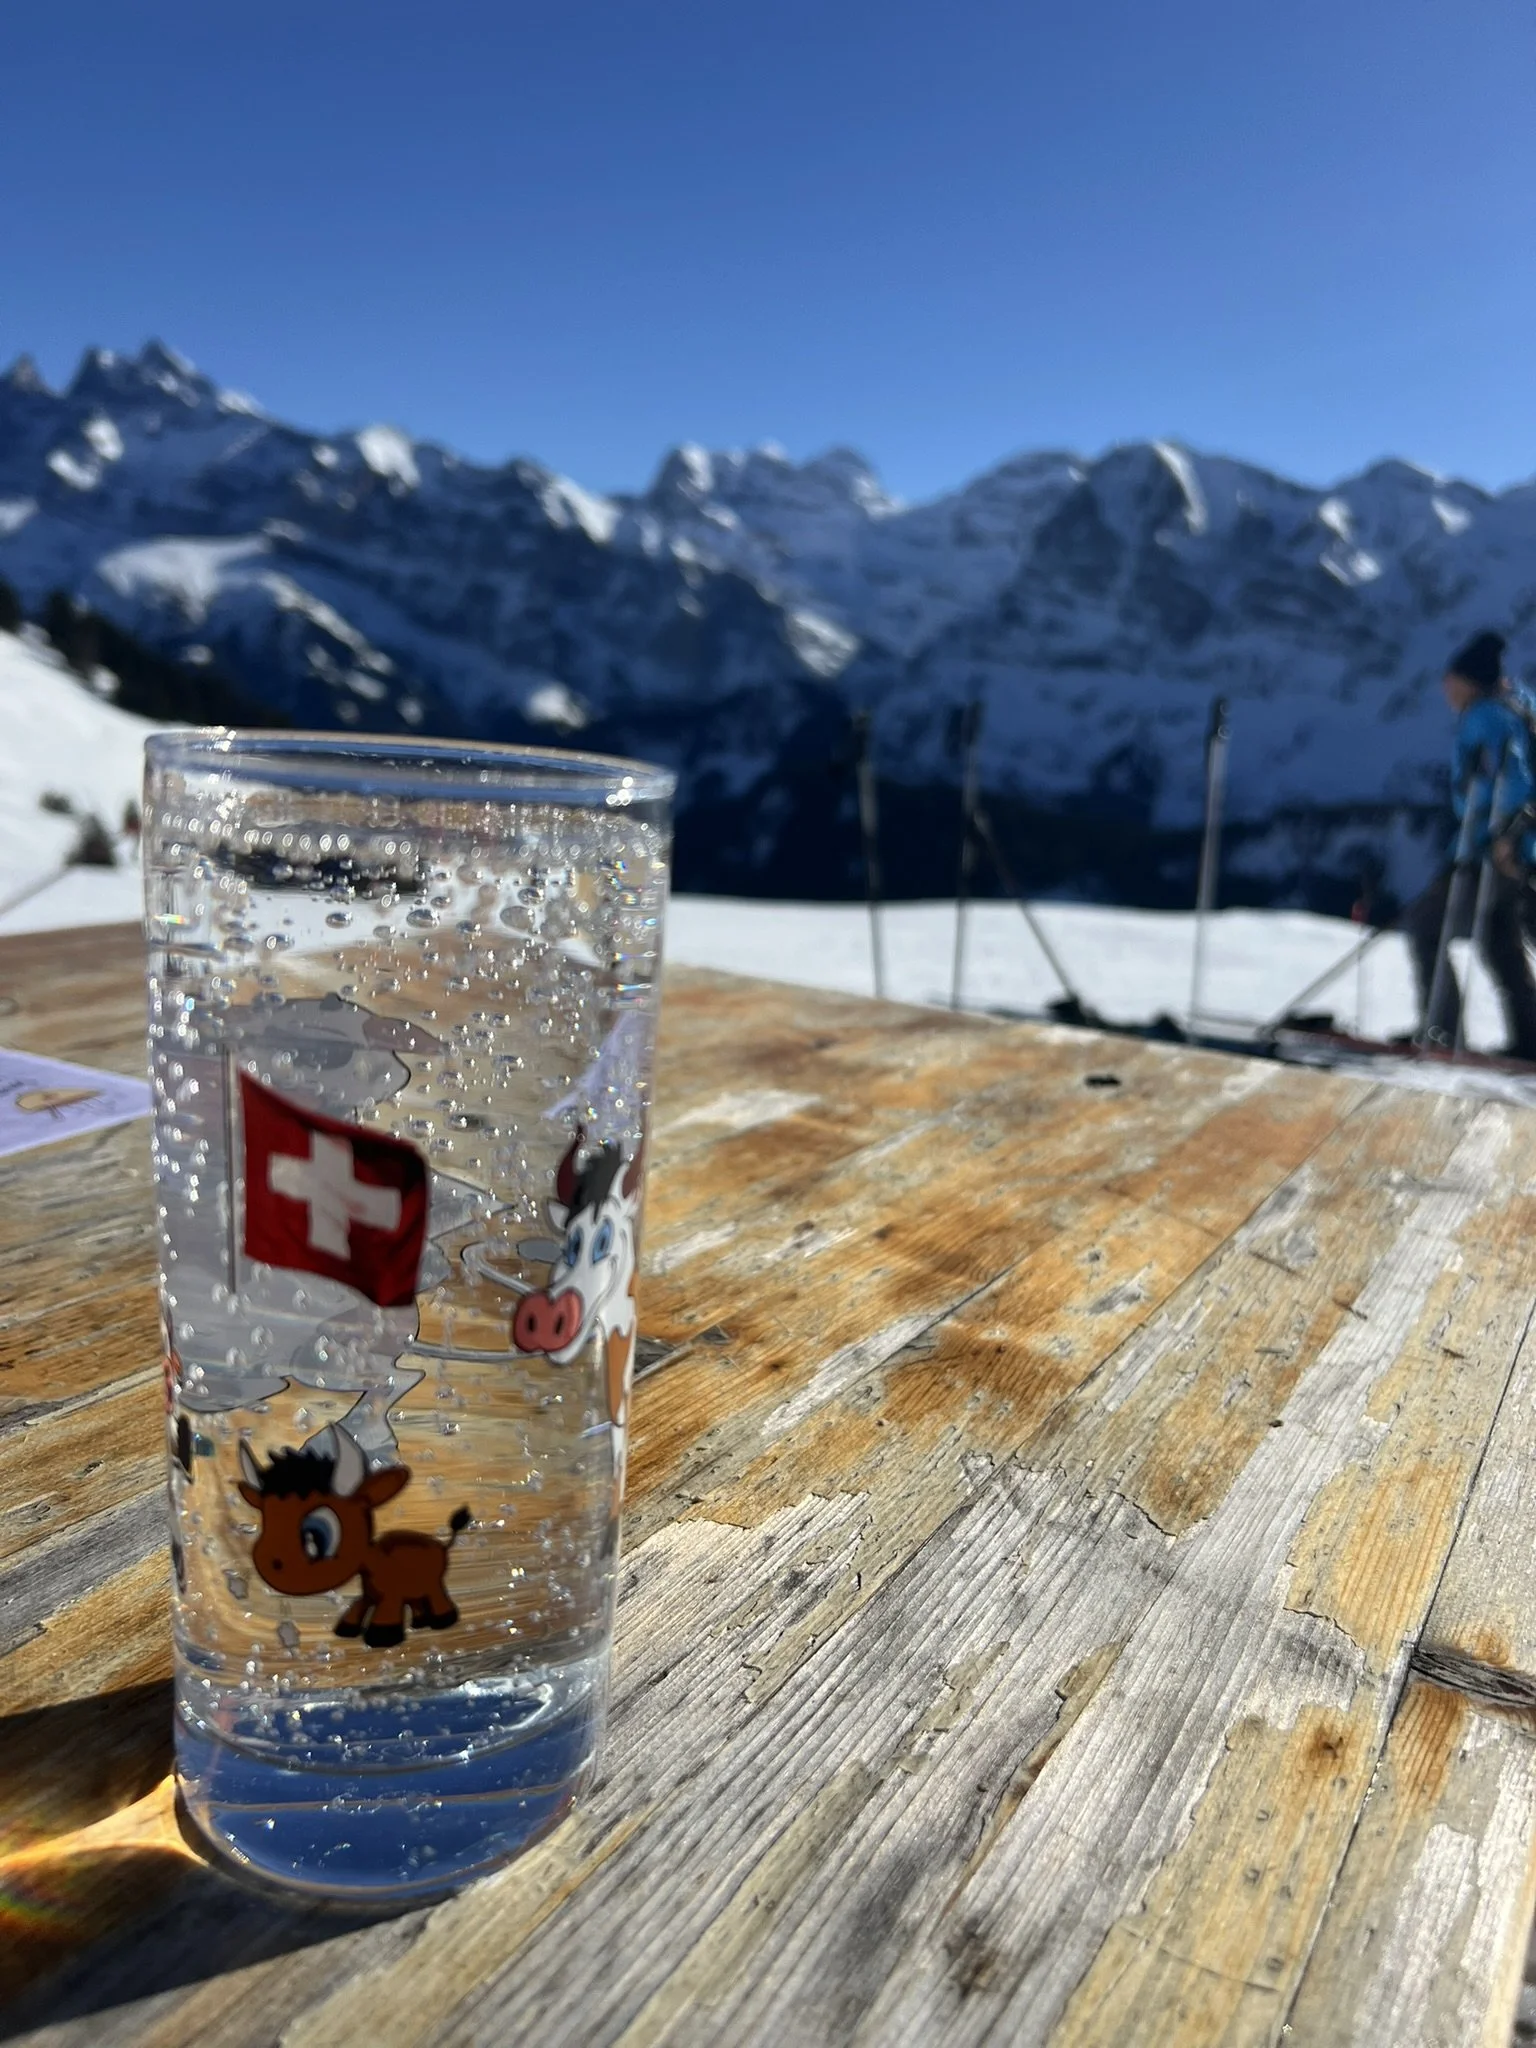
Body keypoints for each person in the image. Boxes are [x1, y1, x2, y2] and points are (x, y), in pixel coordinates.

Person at [1405, 630, 1536, 1059]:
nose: (1446, 688)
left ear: (1470, 682)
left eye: (1452, 680)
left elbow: (1505, 783)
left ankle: (1442, 1029)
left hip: (1490, 851)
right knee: (1501, 944)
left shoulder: (1485, 717)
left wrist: (1498, 836)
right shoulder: (1522, 703)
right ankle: (1530, 1037)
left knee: (1426, 926)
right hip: (1523, 852)